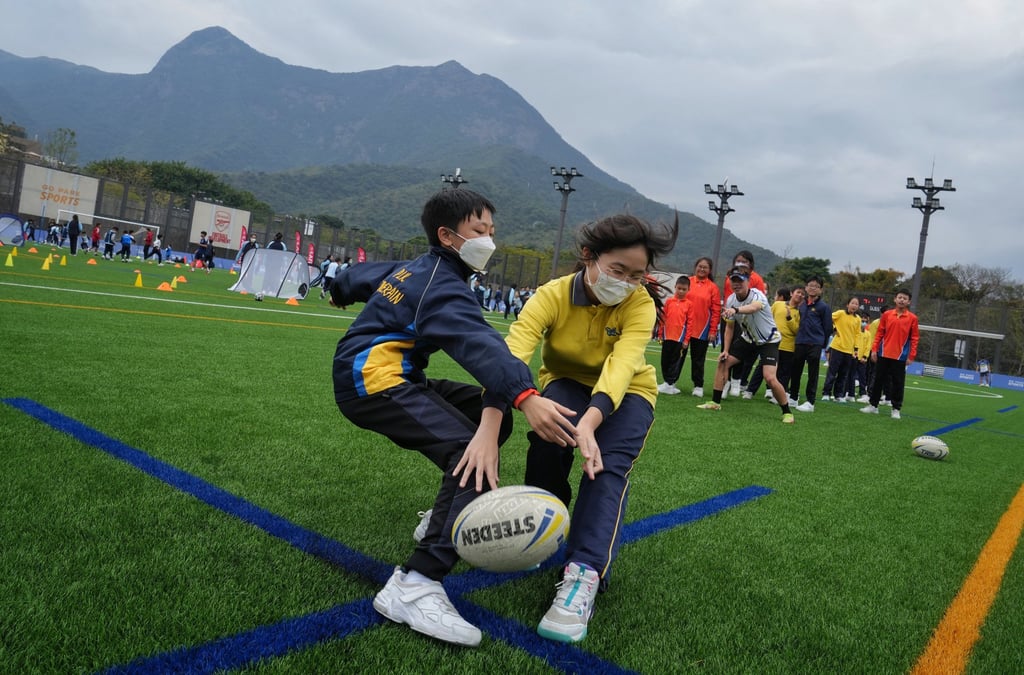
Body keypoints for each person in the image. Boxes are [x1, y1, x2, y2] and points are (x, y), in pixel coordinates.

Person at [332, 189, 578, 648]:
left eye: (492, 231)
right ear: (448, 237)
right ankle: (416, 583)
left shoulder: (423, 268)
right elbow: (479, 344)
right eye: (480, 232)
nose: (490, 241)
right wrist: (527, 395)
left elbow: (368, 276)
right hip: (373, 383)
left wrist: (339, 287)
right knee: (471, 454)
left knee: (491, 423)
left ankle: (443, 517)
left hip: (394, 376)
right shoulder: (441, 284)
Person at [495, 213, 678, 644]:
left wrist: (590, 426)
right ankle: (543, 529)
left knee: (605, 466)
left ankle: (584, 574)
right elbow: (513, 353)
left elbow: (621, 368)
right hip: (564, 383)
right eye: (618, 271)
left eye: (638, 275)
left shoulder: (640, 304)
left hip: (628, 392)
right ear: (588, 257)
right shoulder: (552, 295)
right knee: (546, 443)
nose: (628, 282)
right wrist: (524, 400)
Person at [697, 267, 795, 423]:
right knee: (723, 362)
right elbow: (729, 328)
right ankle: (715, 402)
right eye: (733, 281)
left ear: (748, 282)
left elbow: (753, 308)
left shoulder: (757, 295)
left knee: (769, 378)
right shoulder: (730, 300)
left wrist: (735, 310)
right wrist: (726, 350)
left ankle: (787, 412)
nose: (736, 284)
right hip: (748, 339)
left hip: (768, 340)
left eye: (740, 281)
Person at [860, 289, 920, 420]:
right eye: (900, 297)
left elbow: (915, 338)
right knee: (877, 381)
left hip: (900, 356)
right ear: (895, 299)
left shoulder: (912, 318)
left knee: (898, 383)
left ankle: (896, 409)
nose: (902, 300)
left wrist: (911, 356)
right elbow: (879, 334)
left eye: (905, 298)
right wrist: (875, 350)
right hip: (883, 354)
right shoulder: (887, 315)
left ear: (908, 302)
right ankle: (873, 406)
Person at [720, 251, 766, 397]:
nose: (741, 263)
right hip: (730, 315)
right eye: (738, 261)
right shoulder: (729, 277)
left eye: (744, 261)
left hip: (746, 318)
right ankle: (724, 383)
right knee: (726, 349)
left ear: (750, 264)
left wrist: (739, 310)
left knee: (739, 351)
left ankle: (736, 381)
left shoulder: (757, 279)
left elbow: (759, 302)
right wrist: (729, 311)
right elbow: (727, 296)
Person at [788, 275, 832, 412]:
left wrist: (823, 345)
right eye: (810, 285)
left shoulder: (823, 307)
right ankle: (793, 397)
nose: (813, 288)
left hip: (815, 343)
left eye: (816, 286)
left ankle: (810, 402)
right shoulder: (801, 304)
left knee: (813, 373)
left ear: (821, 290)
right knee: (796, 371)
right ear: (806, 287)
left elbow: (828, 327)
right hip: (800, 341)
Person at [684, 256, 721, 398]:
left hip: (702, 329)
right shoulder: (688, 281)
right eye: (700, 266)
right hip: (684, 327)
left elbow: (716, 310)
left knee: (698, 359)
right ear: (695, 267)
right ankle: (670, 383)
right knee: (677, 357)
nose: (702, 269)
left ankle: (698, 386)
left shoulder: (713, 288)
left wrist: (712, 330)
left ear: (709, 270)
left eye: (705, 267)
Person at [821, 297, 861, 402]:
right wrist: (833, 328)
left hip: (849, 350)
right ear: (848, 304)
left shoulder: (858, 319)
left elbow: (857, 334)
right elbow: (827, 318)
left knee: (843, 374)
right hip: (837, 347)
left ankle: (838, 395)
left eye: (856, 304)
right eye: (852, 303)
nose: (854, 305)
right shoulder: (840, 313)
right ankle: (826, 393)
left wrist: (856, 349)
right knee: (832, 372)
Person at [657, 275, 691, 395]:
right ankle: (667, 383)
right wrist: (660, 334)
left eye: (684, 289)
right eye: (679, 288)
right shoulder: (669, 301)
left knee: (675, 361)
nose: (681, 291)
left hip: (679, 338)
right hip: (667, 336)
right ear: (675, 287)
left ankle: (670, 384)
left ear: (688, 290)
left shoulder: (689, 304)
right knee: (664, 360)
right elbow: (663, 318)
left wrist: (686, 340)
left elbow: (690, 323)